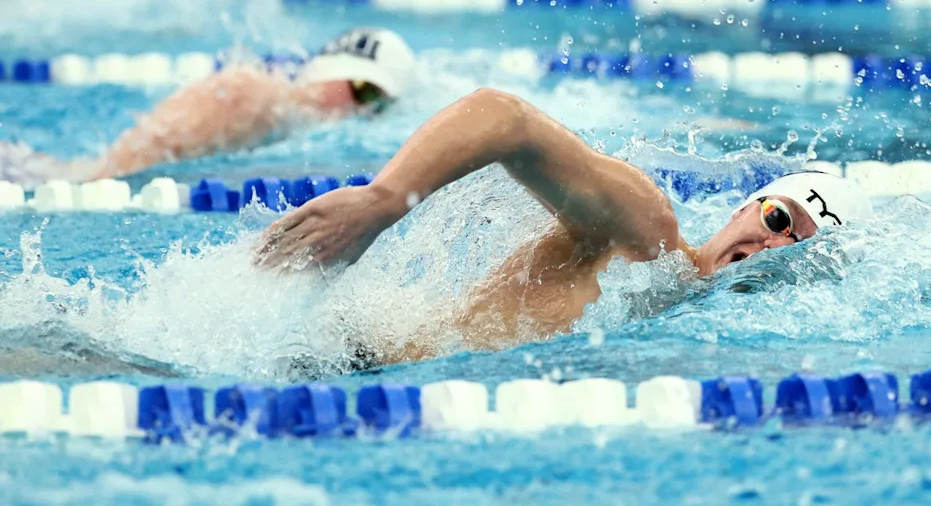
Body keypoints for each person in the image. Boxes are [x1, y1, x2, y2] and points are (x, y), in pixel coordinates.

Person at [258, 88, 873, 367]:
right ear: (745, 207)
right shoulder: (648, 233)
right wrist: (383, 201)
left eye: (795, 251)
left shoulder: (692, 342)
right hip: (328, 355)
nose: (770, 247)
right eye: (776, 219)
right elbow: (507, 119)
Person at [84, 27, 415, 179]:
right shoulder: (251, 95)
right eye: (364, 91)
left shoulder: (292, 118)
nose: (365, 109)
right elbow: (149, 145)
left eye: (379, 104)